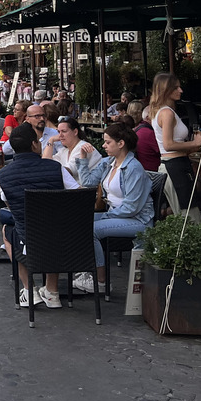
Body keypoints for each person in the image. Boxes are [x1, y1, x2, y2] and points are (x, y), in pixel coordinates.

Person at [73, 123, 155, 295]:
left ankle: (101, 281)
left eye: (107, 142)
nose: (103, 146)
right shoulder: (108, 162)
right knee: (77, 222)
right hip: (119, 216)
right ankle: (89, 270)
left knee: (90, 229)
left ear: (121, 143)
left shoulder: (133, 168)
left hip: (138, 221)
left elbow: (131, 208)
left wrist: (106, 216)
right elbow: (88, 183)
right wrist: (82, 159)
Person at [0, 122, 68, 308]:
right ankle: (52, 291)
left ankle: (29, 289)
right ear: (35, 145)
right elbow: (77, 194)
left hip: (29, 237)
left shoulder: (4, 175)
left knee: (9, 230)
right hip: (64, 238)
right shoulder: (55, 168)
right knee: (53, 226)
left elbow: (9, 205)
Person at [149, 72, 201, 210]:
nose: (180, 90)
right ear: (165, 90)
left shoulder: (162, 111)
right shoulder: (166, 113)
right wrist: (195, 143)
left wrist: (191, 147)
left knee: (186, 212)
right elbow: (168, 145)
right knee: (188, 216)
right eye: (176, 88)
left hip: (177, 164)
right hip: (175, 167)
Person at [45, 116, 102, 187]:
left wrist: (51, 169)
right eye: (59, 132)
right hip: (73, 192)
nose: (60, 135)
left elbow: (68, 172)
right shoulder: (64, 151)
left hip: (88, 192)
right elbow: (46, 163)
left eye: (64, 131)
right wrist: (51, 140)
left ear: (75, 132)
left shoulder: (82, 147)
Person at [131, 103, 160, 171]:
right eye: (156, 115)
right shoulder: (149, 133)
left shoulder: (138, 128)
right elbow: (164, 150)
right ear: (148, 118)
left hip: (142, 169)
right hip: (153, 172)